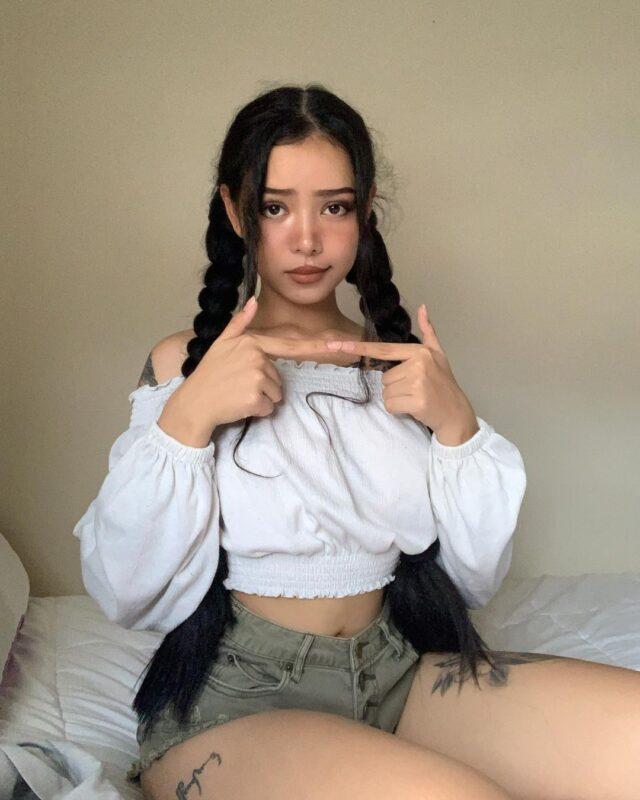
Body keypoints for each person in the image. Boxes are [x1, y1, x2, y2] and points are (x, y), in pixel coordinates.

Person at [73, 84, 640, 800]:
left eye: (334, 207)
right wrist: (187, 422)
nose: (307, 239)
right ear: (234, 211)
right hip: (238, 699)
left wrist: (457, 427)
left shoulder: (399, 365)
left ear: (365, 209)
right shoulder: (184, 364)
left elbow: (471, 584)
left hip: (397, 670)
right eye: (274, 207)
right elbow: (126, 593)